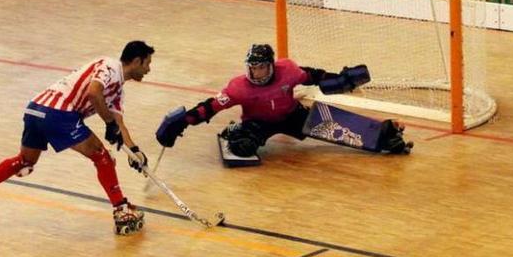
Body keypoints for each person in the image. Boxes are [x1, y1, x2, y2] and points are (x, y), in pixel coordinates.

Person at [0, 40, 155, 235]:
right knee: (102, 156)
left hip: (35, 109)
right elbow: (94, 93)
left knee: (25, 161)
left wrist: (134, 151)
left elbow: (119, 122)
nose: (148, 70)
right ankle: (121, 210)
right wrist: (109, 124)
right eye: (147, 64)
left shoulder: (118, 89)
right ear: (136, 61)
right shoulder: (110, 66)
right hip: (58, 112)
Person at [156, 44, 411, 160]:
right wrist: (183, 122)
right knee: (243, 146)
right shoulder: (238, 87)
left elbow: (313, 76)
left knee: (342, 128)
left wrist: (342, 79)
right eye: (251, 67)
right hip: (258, 123)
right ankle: (233, 131)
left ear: (270, 66)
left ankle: (387, 132)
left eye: (259, 67)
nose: (254, 72)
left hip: (292, 114)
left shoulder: (287, 70)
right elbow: (211, 106)